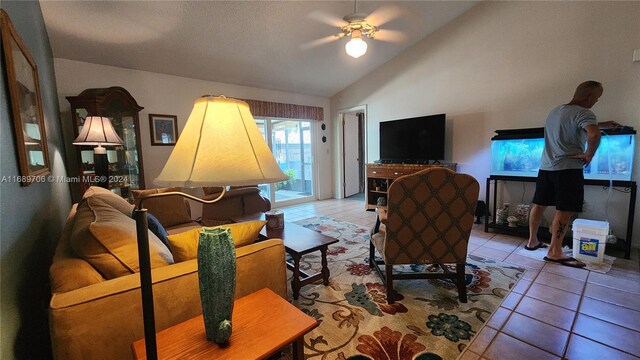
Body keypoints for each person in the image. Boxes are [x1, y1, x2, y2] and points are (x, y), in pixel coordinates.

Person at [525, 81, 603, 268]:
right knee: (565, 209)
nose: (597, 101)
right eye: (597, 98)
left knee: (539, 203)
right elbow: (594, 135)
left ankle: (532, 241)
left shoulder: (555, 111)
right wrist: (589, 154)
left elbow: (574, 126)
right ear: (590, 97)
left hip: (546, 167)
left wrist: (605, 124)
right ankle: (555, 251)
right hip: (568, 169)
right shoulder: (584, 113)